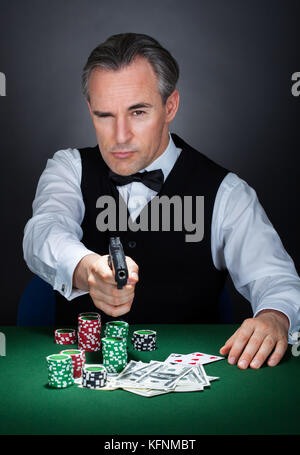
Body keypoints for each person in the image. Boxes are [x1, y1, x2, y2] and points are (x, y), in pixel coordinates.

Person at [23, 33, 300, 370]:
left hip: (193, 394)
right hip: (86, 386)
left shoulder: (227, 192)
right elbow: (42, 232)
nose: (120, 136)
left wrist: (275, 317)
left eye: (138, 112)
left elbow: (276, 278)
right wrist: (85, 270)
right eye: (104, 115)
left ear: (170, 106)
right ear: (89, 110)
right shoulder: (68, 168)